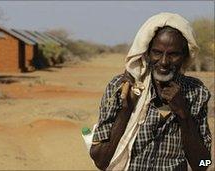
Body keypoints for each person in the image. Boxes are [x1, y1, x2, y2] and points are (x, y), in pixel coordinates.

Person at [89, 12, 212, 171]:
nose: (164, 62)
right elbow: (100, 161)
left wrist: (184, 114)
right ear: (146, 53)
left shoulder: (196, 92)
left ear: (185, 56)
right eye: (157, 52)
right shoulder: (121, 87)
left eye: (174, 54)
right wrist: (125, 112)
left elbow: (203, 164)